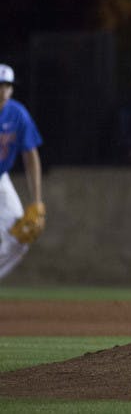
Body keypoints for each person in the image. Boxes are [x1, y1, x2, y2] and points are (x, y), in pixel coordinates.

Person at [0, 64, 44, 281]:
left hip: (1, 180)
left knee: (22, 236)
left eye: (7, 86)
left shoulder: (18, 114)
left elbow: (31, 156)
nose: (3, 91)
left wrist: (36, 201)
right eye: (0, 85)